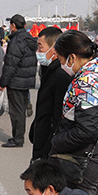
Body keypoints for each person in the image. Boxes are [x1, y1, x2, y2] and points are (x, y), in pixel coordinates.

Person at [49, 30, 98, 195]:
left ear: (72, 57)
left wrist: (56, 141)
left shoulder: (88, 80)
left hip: (85, 158)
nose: (61, 65)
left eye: (60, 60)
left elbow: (86, 130)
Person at [29, 27, 71, 161]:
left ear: (54, 48)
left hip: (48, 149)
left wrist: (47, 151)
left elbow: (58, 118)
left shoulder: (61, 76)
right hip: (41, 141)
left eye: (40, 47)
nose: (38, 52)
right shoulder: (48, 71)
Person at [0, 14, 37, 148]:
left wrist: (3, 82)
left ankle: (17, 139)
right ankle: (18, 136)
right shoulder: (28, 39)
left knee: (16, 112)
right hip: (25, 80)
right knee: (20, 110)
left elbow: (11, 64)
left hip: (16, 80)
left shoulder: (16, 41)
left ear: (13, 25)